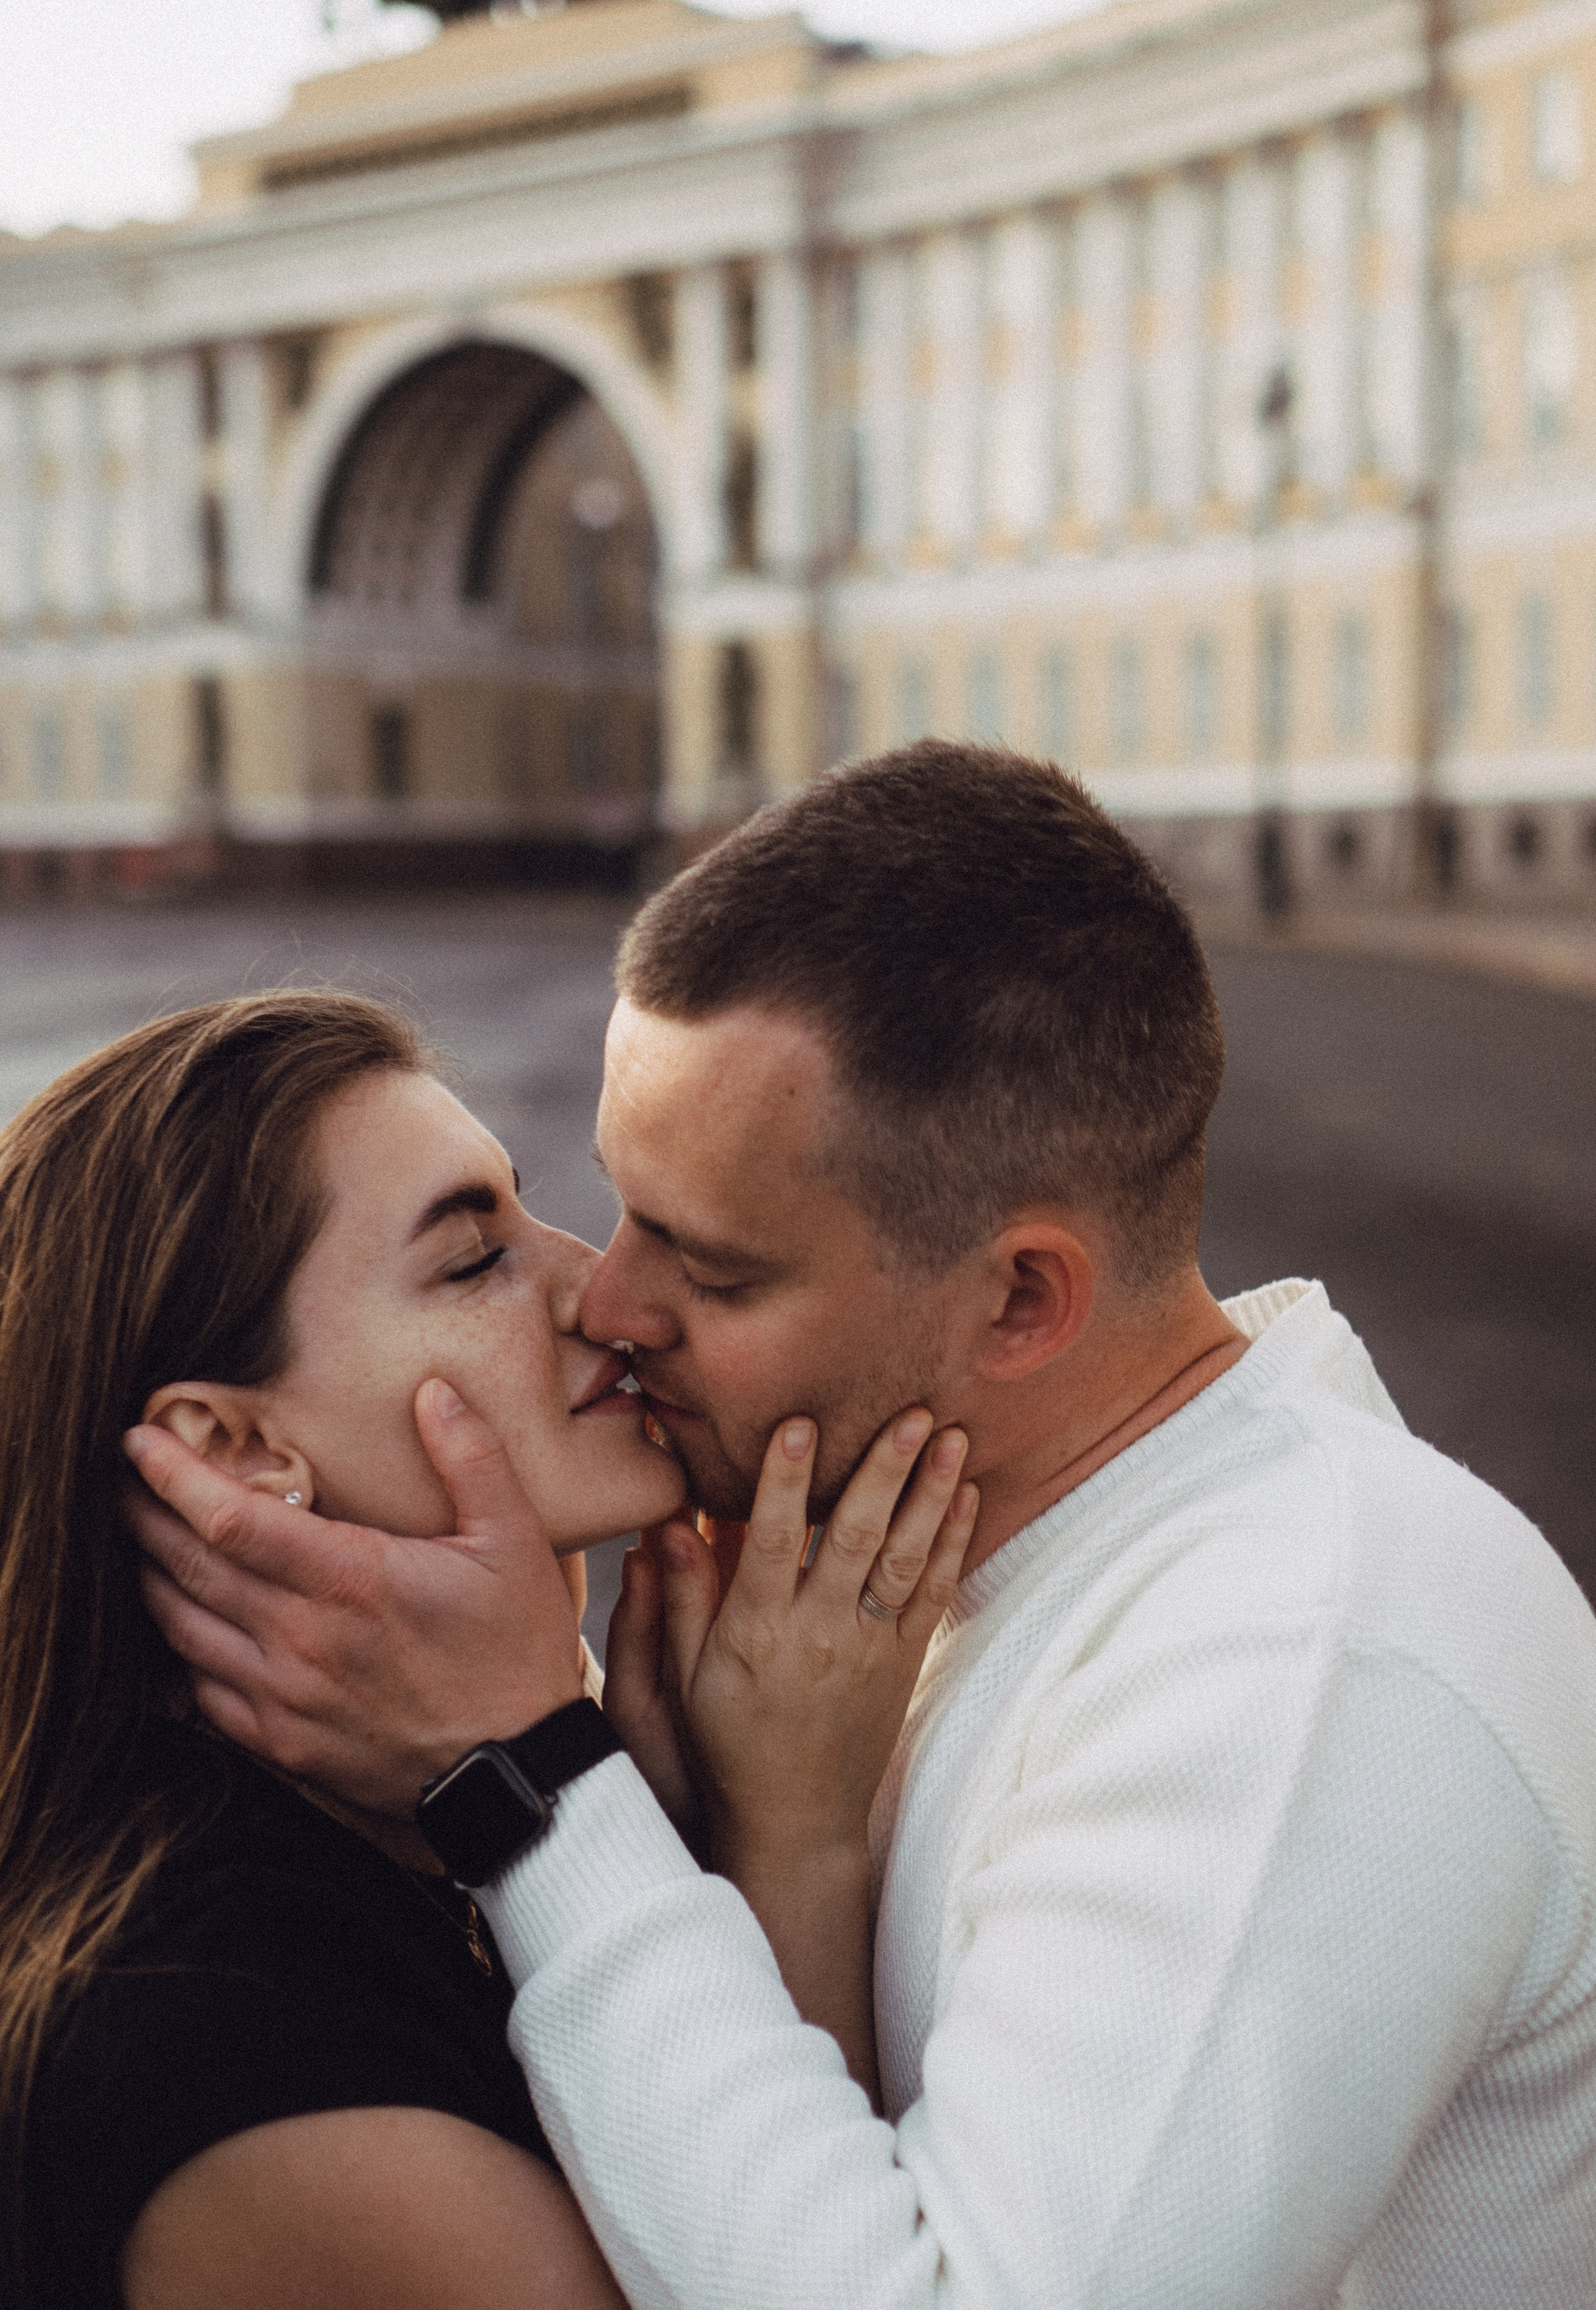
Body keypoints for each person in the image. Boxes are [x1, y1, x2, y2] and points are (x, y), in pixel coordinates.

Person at [133, 744, 1596, 2309]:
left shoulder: (1305, 1657)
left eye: (715, 1267)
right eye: (619, 1204)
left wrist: (529, 1783)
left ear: (1020, 1300)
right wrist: (757, 1838)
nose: (610, 1303)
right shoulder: (894, 1593)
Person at [3, 991, 965, 2310]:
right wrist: (774, 1832)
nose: (606, 1293)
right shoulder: (229, 2048)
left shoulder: (365, 1850)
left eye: (526, 1212)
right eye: (473, 1261)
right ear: (232, 1453)